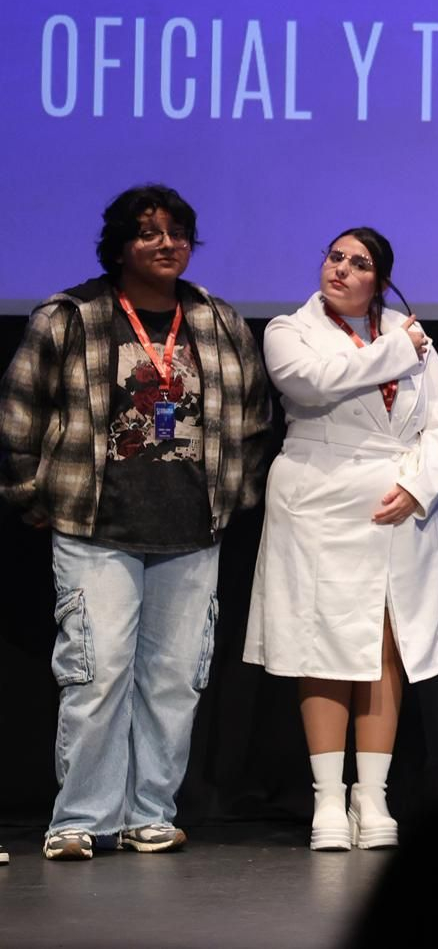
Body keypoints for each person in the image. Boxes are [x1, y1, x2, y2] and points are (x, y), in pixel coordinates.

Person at [0, 184, 273, 860]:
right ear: (121, 245)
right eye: (149, 233)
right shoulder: (71, 317)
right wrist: (32, 496)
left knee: (176, 679)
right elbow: (18, 413)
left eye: (177, 232)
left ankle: (149, 812)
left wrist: (232, 498)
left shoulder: (216, 320)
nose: (166, 244)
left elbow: (253, 420)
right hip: (97, 527)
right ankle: (80, 820)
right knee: (97, 672)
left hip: (190, 530)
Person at [244, 228, 438, 851]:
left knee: (384, 644)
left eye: (358, 263)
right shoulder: (290, 330)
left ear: (380, 279)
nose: (340, 269)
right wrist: (397, 350)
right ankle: (327, 802)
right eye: (334, 257)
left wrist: (421, 486)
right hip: (320, 502)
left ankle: (373, 796)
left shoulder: (407, 333)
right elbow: (314, 383)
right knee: (323, 644)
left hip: (395, 507)